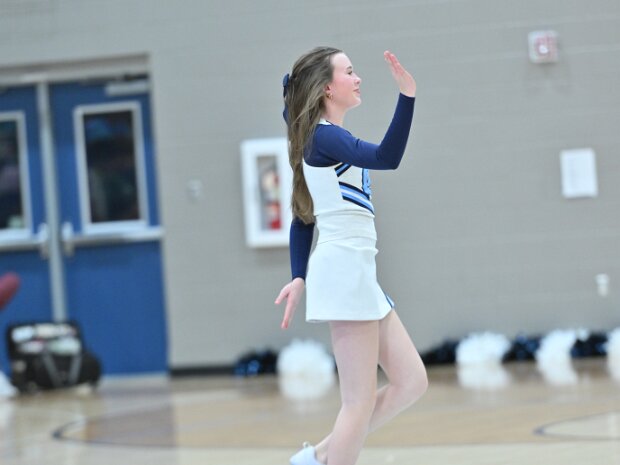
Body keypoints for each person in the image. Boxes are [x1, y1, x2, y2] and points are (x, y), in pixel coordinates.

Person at [275, 46, 428, 465]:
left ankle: (317, 457)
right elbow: (386, 158)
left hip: (357, 273)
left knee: (411, 381)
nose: (358, 78)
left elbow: (303, 216)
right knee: (357, 403)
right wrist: (407, 95)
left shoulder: (320, 137)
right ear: (327, 87)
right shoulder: (323, 136)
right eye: (350, 71)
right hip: (344, 272)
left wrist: (298, 275)